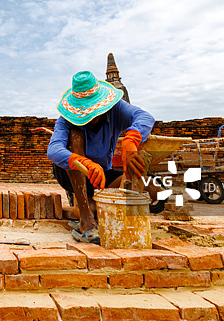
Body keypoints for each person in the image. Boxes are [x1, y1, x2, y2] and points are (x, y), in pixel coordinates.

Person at [47, 70, 155, 243]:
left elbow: (145, 117)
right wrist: (84, 163)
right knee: (75, 136)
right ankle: (86, 219)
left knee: (153, 191)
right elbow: (53, 149)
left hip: (102, 175)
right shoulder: (67, 119)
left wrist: (131, 140)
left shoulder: (117, 108)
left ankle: (91, 206)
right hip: (72, 173)